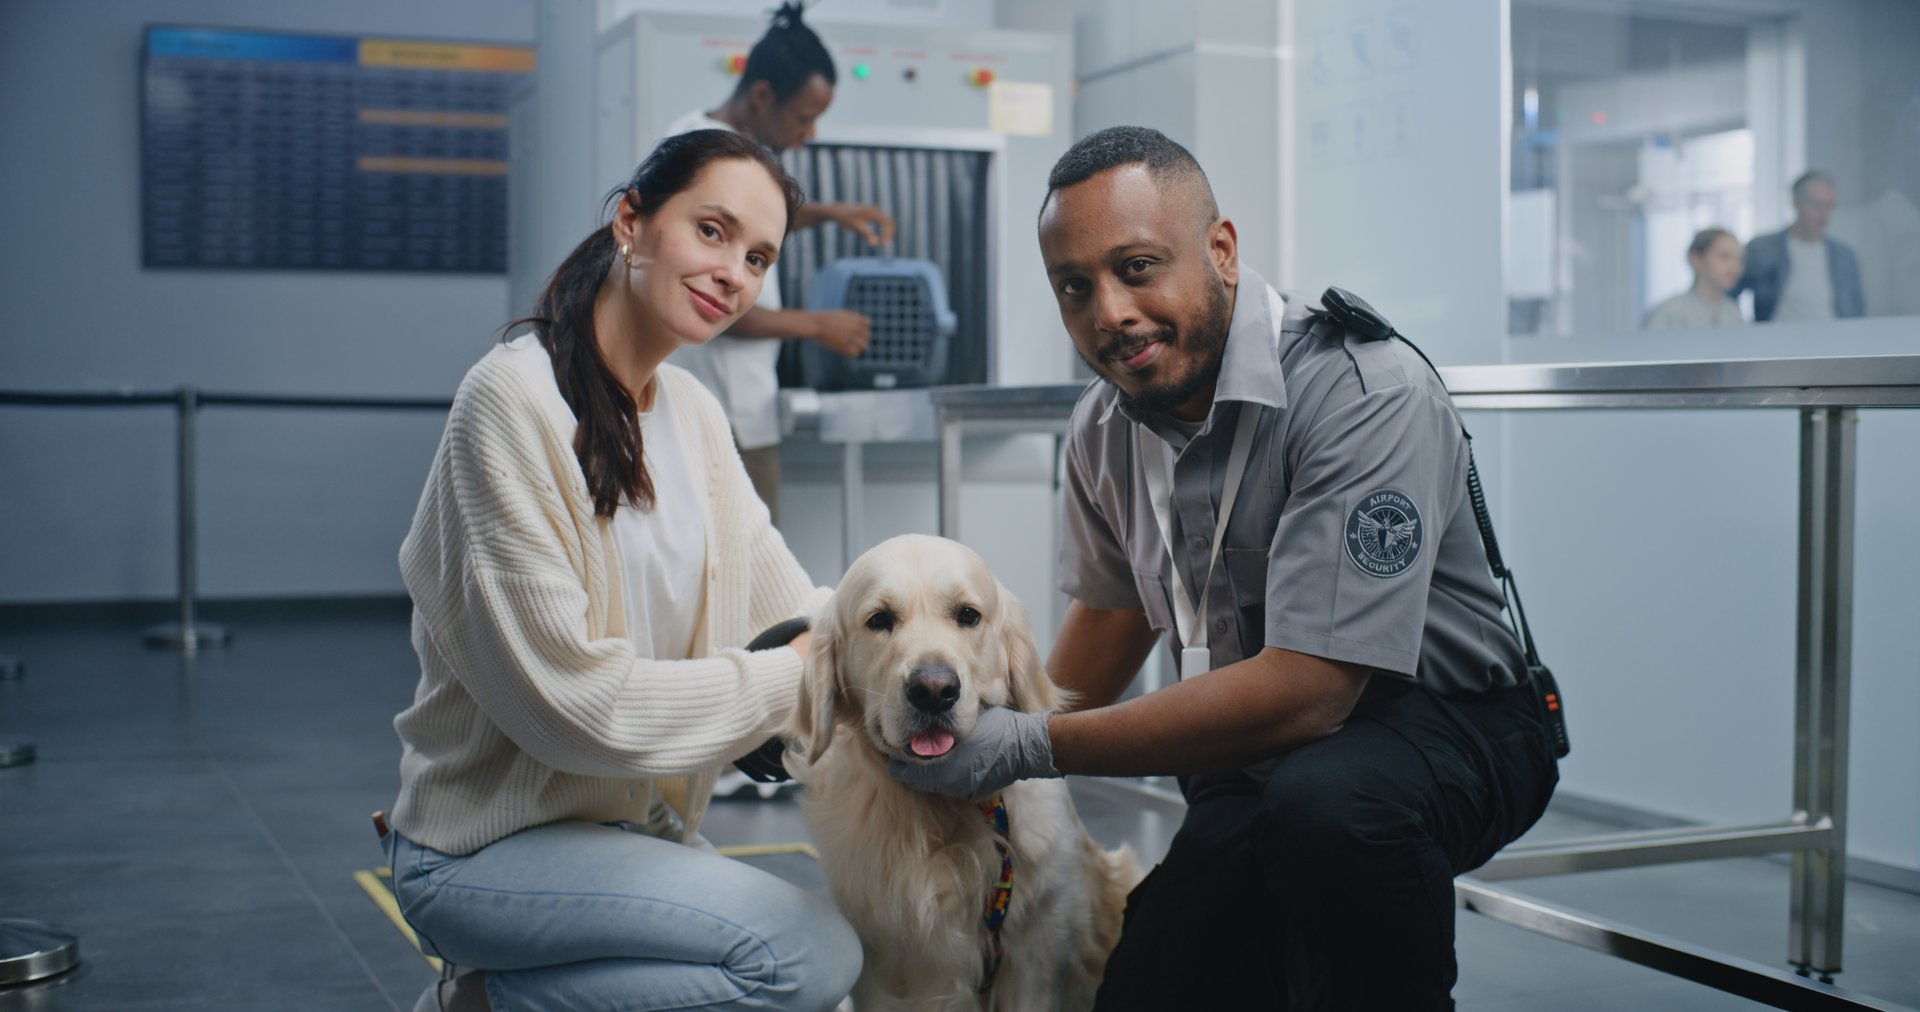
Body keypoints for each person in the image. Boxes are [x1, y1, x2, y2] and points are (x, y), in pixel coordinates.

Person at [888, 127, 1561, 1010]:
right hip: (1263, 765)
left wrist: (1033, 746)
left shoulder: (1362, 392)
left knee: (1335, 810)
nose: (1110, 312)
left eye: (1136, 267)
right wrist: (966, 722)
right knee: (1148, 986)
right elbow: (1115, 613)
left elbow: (1314, 689)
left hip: (1449, 727)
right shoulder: (1103, 427)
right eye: (1074, 287)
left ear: (1222, 250)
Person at [382, 129, 860, 1012]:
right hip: (484, 853)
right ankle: (476, 1005)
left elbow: (793, 605)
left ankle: (499, 993)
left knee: (810, 992)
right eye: (711, 232)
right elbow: (574, 711)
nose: (733, 273)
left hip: (630, 835)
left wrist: (906, 642)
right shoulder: (511, 402)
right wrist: (792, 673)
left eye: (757, 256)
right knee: (804, 960)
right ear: (631, 223)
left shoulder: (694, 415)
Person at [663, 1, 895, 528]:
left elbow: (753, 222)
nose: (808, 133)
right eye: (804, 117)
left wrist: (831, 213)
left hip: (742, 419)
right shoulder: (699, 152)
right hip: (716, 423)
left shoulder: (729, 152)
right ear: (763, 96)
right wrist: (817, 325)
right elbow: (716, 304)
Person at [1735, 170, 1866, 322]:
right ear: (1796, 203)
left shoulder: (1844, 256)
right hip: (1777, 341)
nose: (1824, 215)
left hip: (1834, 341)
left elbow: (1858, 310)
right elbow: (1730, 294)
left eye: (1829, 206)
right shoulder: (1762, 249)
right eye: (1817, 205)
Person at [1643, 227, 1746, 330]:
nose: (1735, 267)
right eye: (1724, 256)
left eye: (1739, 259)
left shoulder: (1733, 312)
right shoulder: (1668, 312)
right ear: (1696, 260)